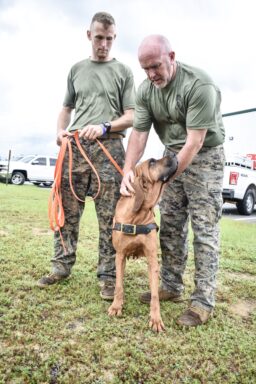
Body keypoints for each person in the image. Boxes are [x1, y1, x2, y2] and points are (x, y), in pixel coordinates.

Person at [121, 35, 225, 327]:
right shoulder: (145, 92)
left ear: (171, 56)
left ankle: (202, 302)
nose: (152, 74)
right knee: (169, 224)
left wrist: (160, 181)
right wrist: (129, 170)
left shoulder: (199, 85)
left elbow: (194, 143)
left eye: (155, 66)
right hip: (170, 157)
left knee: (204, 228)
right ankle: (170, 285)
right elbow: (139, 135)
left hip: (204, 156)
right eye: (145, 69)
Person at [37, 12, 135, 300]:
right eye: (99, 37)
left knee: (109, 217)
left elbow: (131, 116)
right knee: (67, 212)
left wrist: (105, 125)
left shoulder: (123, 72)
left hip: (109, 148)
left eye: (109, 39)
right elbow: (66, 108)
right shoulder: (77, 69)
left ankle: (107, 277)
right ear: (89, 35)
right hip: (76, 149)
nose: (104, 44)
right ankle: (61, 267)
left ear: (114, 38)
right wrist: (60, 130)